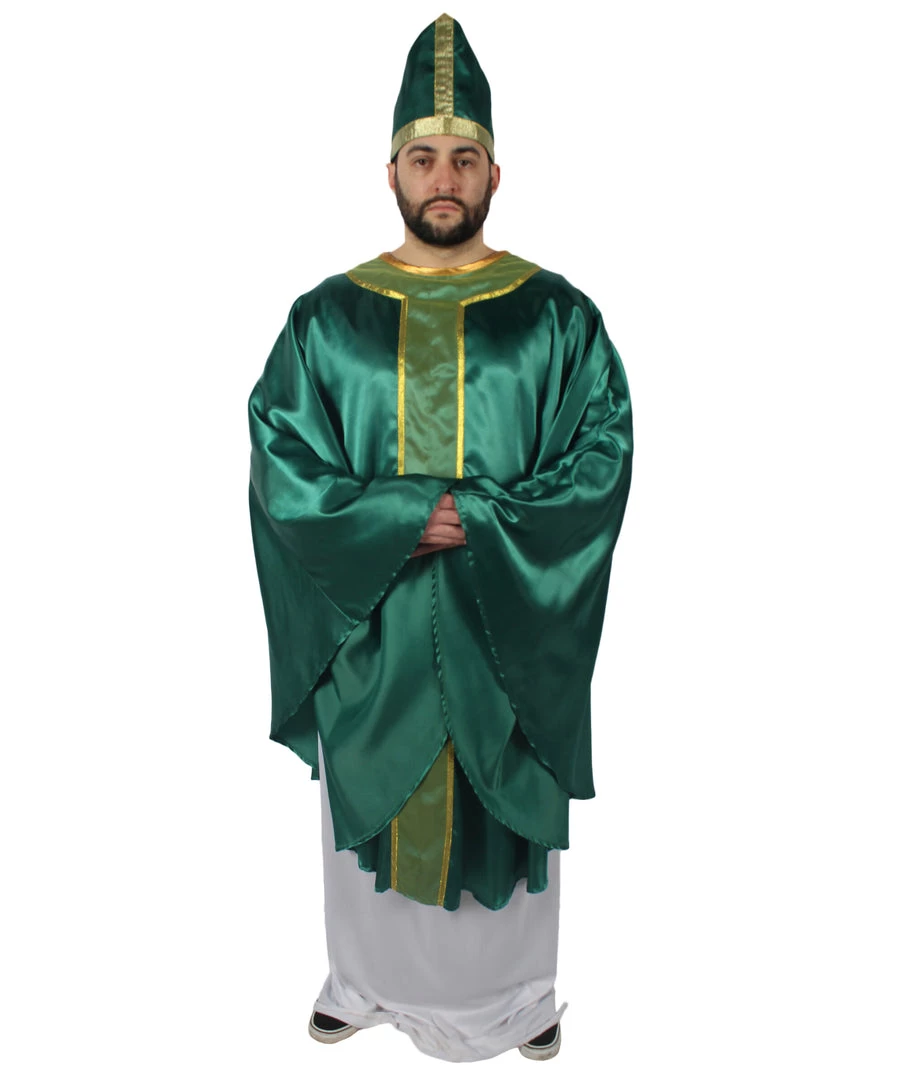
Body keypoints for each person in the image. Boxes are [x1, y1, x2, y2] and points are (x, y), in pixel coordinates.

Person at [247, 12, 633, 1064]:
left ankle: (519, 997)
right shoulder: (326, 319)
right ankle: (361, 982)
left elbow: (600, 452)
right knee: (373, 814)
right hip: (374, 639)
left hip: (504, 632)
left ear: (496, 174)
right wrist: (400, 520)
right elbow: (282, 458)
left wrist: (488, 523)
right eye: (423, 158)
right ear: (390, 173)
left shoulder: (556, 317)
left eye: (464, 157)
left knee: (496, 804)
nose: (444, 177)